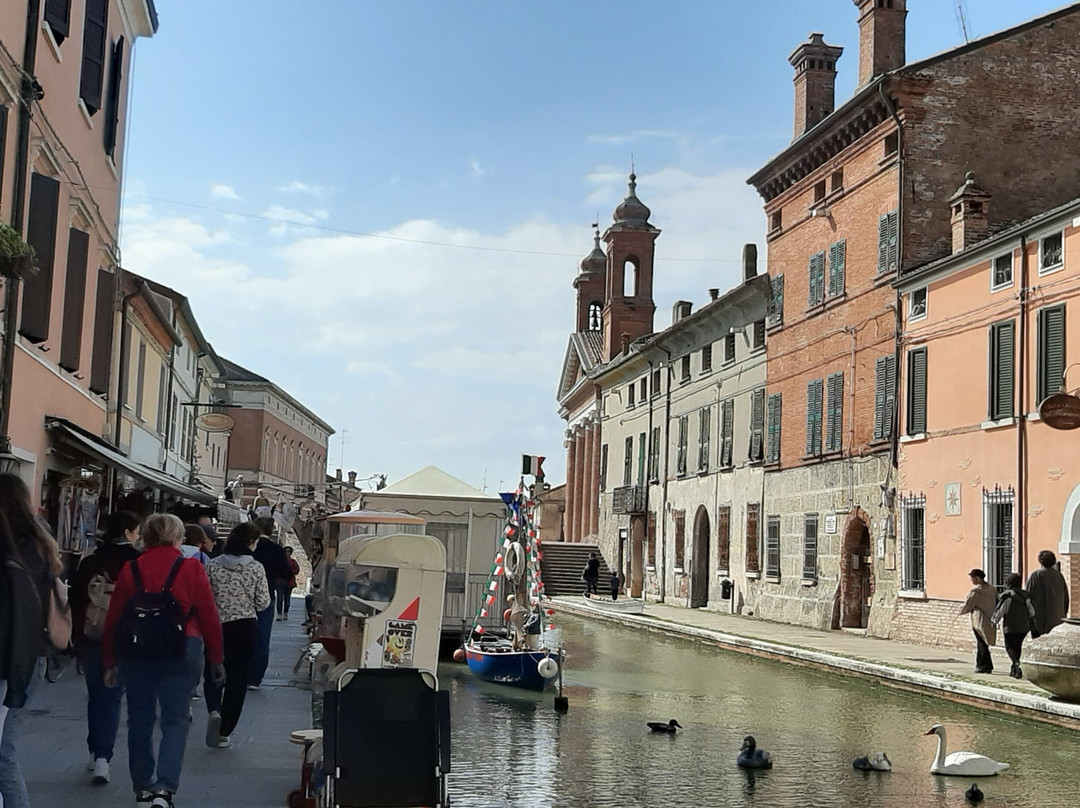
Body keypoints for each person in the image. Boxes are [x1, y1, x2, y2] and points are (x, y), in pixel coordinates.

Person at [102, 513, 224, 808]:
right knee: (175, 720)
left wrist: (109, 660)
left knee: (139, 720)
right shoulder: (191, 568)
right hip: (183, 648)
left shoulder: (132, 569)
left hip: (138, 651)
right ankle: (164, 789)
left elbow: (114, 618)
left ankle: (142, 787)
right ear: (177, 537)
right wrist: (217, 659)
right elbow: (209, 617)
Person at [0, 473, 61, 808]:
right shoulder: (41, 539)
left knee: (3, 753)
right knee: (6, 750)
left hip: (12, 655)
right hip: (33, 653)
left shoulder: (11, 545)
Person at [69, 510, 142, 786]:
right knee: (112, 696)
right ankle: (103, 757)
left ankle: (95, 750)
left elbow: (76, 601)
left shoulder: (91, 562)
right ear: (128, 533)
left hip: (91, 636)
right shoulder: (137, 563)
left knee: (96, 694)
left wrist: (76, 637)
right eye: (136, 531)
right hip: (126, 638)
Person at [205, 523, 270, 748]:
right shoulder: (255, 568)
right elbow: (263, 602)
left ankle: (213, 709)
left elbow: (204, 596)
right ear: (250, 542)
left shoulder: (212, 566)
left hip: (215, 625)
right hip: (244, 627)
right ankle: (225, 730)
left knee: (212, 668)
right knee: (238, 677)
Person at [248, 517, 292, 688]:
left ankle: (239, 672)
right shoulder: (276, 549)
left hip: (245, 596)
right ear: (271, 530)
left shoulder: (249, 547)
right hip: (267, 596)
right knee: (262, 638)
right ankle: (255, 677)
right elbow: (287, 573)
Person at [992, 573, 1035, 679]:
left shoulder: (1007, 596)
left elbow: (1000, 611)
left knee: (1010, 647)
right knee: (1018, 647)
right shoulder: (1026, 595)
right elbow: (1032, 612)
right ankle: (1014, 669)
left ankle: (1016, 664)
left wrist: (994, 621)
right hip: (1024, 626)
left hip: (1010, 626)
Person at [959, 568, 997, 674]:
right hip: (990, 618)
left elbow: (967, 605)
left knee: (981, 642)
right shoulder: (992, 589)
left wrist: (960, 611)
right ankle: (985, 665)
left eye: (972, 578)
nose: (971, 580)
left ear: (977, 578)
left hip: (979, 620)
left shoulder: (975, 592)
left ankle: (982, 665)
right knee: (984, 642)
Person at [1026, 550, 1070, 638]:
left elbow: (1028, 597)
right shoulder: (1059, 576)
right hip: (1057, 619)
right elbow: (1065, 598)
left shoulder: (1036, 575)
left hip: (1038, 620)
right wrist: (1063, 613)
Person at [276, 547, 300, 621]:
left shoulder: (293, 562)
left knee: (287, 600)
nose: (287, 554)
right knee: (279, 599)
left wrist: (290, 571)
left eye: (288, 552)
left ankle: (286, 612)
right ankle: (279, 613)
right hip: (280, 582)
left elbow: (297, 570)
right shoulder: (279, 562)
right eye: (286, 552)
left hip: (289, 583)